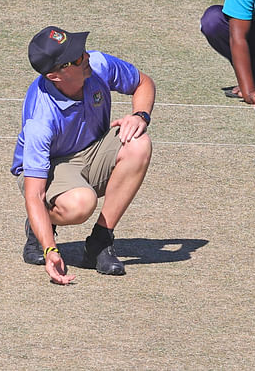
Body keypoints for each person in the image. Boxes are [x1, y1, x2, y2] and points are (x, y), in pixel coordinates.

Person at [11, 26, 155, 285]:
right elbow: (35, 193)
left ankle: (100, 241)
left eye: (82, 50)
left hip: (93, 150)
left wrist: (140, 115)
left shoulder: (97, 64)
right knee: (80, 204)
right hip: (51, 167)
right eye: (76, 58)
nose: (85, 57)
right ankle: (39, 226)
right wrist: (50, 250)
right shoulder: (40, 120)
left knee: (138, 142)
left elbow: (143, 82)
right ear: (56, 75)